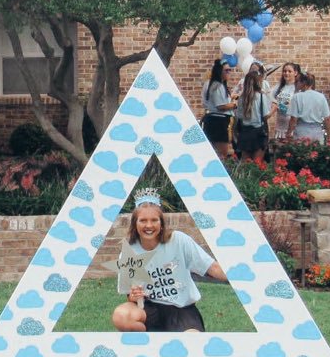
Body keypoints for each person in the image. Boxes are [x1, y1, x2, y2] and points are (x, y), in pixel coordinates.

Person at [110, 188, 227, 332]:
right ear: (135, 223)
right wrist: (134, 296)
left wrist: (240, 277)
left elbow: (212, 268)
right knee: (121, 317)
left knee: (192, 339)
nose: (149, 225)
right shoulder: (129, 252)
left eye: (154, 220)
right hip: (149, 309)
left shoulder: (179, 240)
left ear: (161, 223)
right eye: (143, 220)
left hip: (181, 310)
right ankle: (145, 344)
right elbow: (130, 297)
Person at [233, 69, 273, 163]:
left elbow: (239, 115)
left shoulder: (242, 98)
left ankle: (243, 177)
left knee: (244, 162)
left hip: (245, 132)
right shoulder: (261, 96)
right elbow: (265, 115)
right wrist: (273, 110)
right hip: (258, 132)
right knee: (257, 163)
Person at [201, 59, 237, 159]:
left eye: (230, 70)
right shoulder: (218, 86)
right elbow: (221, 106)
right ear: (219, 71)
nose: (229, 73)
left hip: (210, 119)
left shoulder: (208, 83)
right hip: (219, 121)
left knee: (212, 152)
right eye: (226, 70)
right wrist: (234, 105)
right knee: (222, 153)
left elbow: (206, 102)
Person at [282, 72, 330, 143]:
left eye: (297, 81)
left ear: (303, 83)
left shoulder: (297, 97)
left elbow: (293, 119)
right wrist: (329, 135)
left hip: (302, 130)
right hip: (317, 131)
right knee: (317, 152)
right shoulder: (321, 97)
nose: (296, 84)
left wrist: (289, 133)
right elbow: (327, 119)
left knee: (302, 152)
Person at [269, 63, 303, 140]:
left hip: (292, 128)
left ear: (295, 73)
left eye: (289, 71)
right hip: (280, 126)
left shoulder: (298, 88)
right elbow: (270, 98)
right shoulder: (279, 86)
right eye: (284, 71)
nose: (286, 73)